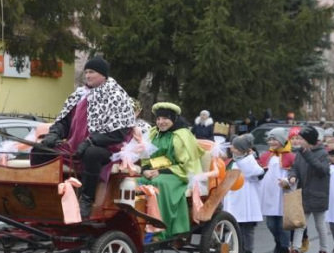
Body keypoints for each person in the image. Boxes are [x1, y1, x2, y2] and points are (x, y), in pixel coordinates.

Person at [33, 56, 135, 218]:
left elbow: (119, 133)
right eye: (86, 72)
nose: (87, 76)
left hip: (107, 149)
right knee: (40, 150)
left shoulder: (117, 96)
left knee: (91, 154)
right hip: (74, 146)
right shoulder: (79, 95)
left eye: (92, 72)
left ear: (103, 75)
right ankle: (44, 195)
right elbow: (65, 122)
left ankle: (86, 200)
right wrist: (54, 133)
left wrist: (90, 141)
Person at [138, 103, 205, 240]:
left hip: (178, 174)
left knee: (159, 184)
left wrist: (162, 171)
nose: (160, 122)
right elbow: (145, 157)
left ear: (173, 118)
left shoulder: (182, 135)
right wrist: (145, 170)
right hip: (155, 171)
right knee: (136, 181)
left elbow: (187, 164)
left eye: (165, 118)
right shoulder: (153, 133)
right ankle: (140, 226)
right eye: (158, 119)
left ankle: (161, 229)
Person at [283, 126, 330, 253]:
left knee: (320, 225)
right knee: (300, 224)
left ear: (309, 140)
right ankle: (295, 251)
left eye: (301, 139)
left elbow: (322, 170)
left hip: (318, 195)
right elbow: (294, 167)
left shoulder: (322, 153)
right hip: (304, 194)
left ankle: (324, 252)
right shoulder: (300, 153)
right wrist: (292, 176)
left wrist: (307, 154)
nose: (299, 141)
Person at [223, 133, 264, 253]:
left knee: (247, 229)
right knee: (234, 228)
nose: (232, 149)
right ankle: (236, 251)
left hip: (247, 199)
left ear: (242, 149)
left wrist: (247, 158)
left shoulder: (250, 161)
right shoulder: (231, 162)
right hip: (233, 198)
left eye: (235, 147)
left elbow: (256, 173)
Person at [258, 127, 295, 253]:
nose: (271, 142)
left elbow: (295, 174)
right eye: (270, 139)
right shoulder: (266, 155)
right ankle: (278, 242)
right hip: (269, 194)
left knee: (283, 225)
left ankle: (285, 249)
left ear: (281, 140)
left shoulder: (290, 156)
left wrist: (288, 181)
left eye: (274, 139)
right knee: (271, 224)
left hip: (283, 193)